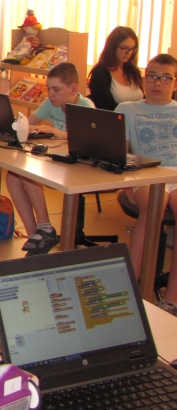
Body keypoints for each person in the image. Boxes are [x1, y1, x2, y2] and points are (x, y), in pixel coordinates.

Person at [7, 62, 94, 256]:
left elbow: (86, 139)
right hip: (57, 160)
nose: (51, 94)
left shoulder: (86, 107)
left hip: (79, 166)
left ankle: (45, 227)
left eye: (56, 89)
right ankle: (35, 236)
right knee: (12, 175)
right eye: (48, 89)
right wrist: (20, 127)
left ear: (73, 89)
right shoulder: (51, 103)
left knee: (27, 172)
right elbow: (28, 122)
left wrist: (54, 131)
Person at [115, 54, 177, 316]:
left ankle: (171, 300)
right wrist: (127, 185)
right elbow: (120, 155)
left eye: (165, 78)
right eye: (152, 76)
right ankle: (133, 292)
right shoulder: (127, 109)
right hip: (148, 174)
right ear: (144, 78)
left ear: (175, 83)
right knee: (153, 207)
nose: (157, 83)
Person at [87, 26, 144, 111]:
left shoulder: (133, 71)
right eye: (124, 48)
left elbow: (143, 101)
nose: (128, 53)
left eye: (132, 49)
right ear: (112, 47)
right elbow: (107, 106)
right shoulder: (100, 73)